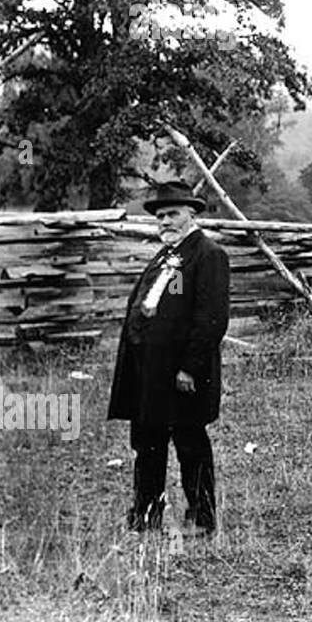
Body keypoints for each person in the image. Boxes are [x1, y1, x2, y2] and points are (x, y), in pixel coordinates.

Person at [108, 180, 231, 535]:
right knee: (148, 442)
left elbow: (211, 319)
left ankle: (202, 519)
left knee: (190, 443)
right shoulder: (166, 255)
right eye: (160, 216)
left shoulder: (208, 255)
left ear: (192, 214)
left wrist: (189, 368)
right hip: (149, 372)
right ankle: (147, 515)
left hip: (181, 374)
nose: (165, 221)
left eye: (173, 214)